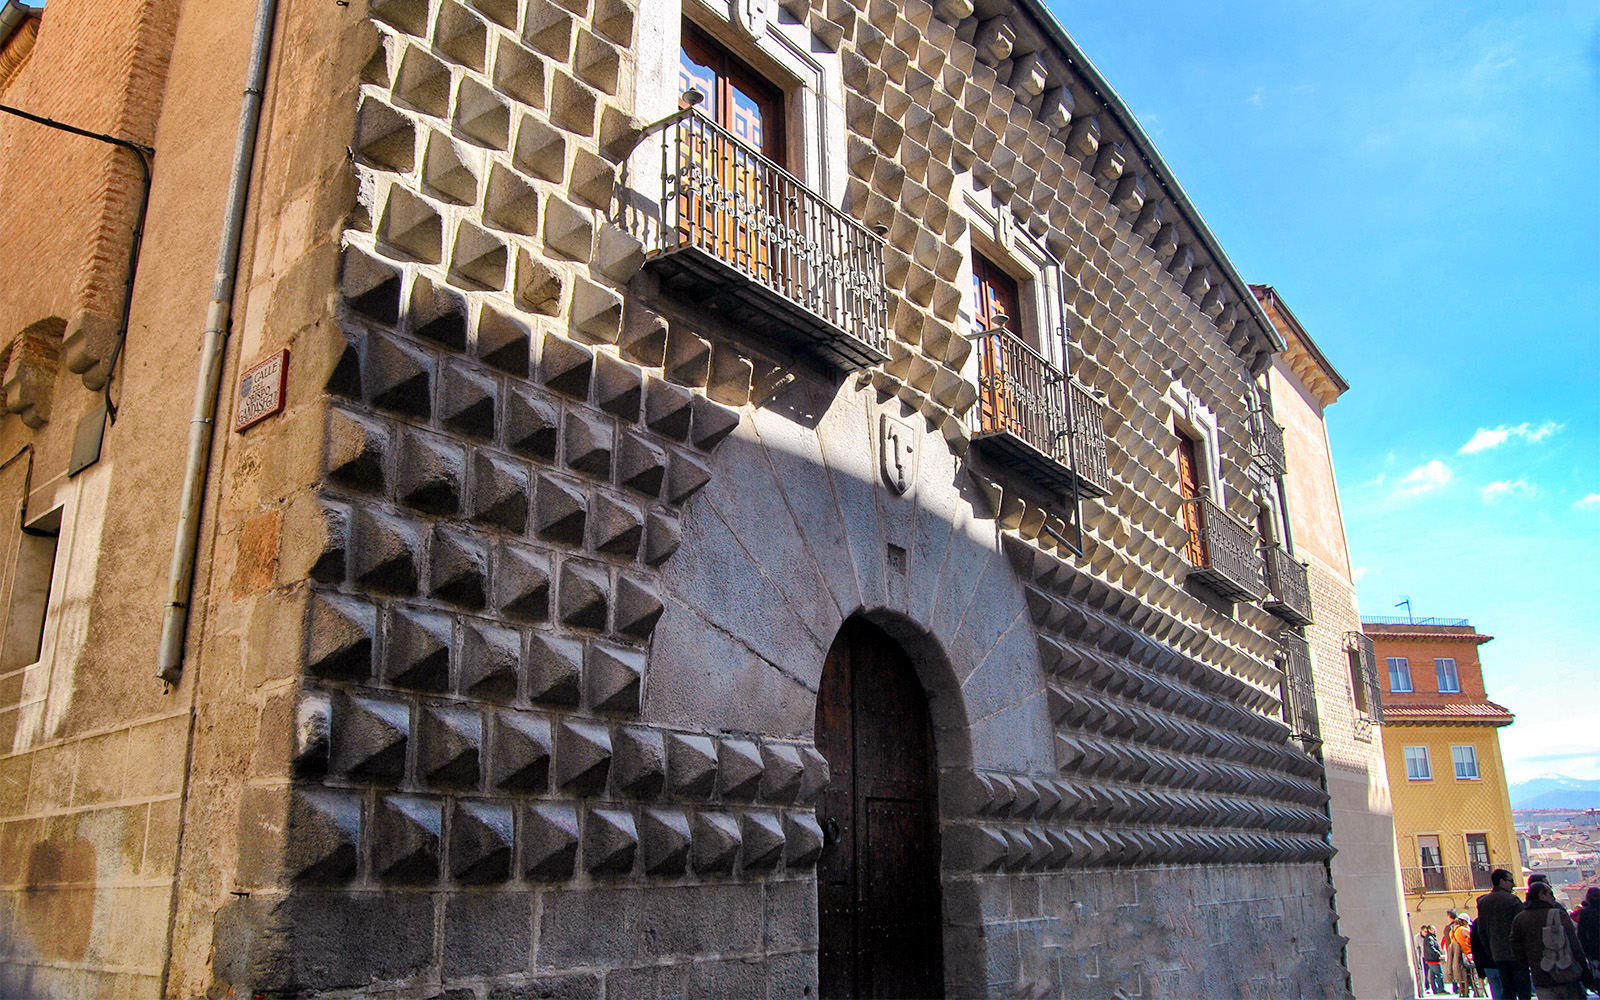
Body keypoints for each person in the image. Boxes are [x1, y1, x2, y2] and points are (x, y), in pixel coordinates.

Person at [1510, 881, 1598, 999]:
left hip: (1541, 978)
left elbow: (1515, 947)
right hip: (1565, 974)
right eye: (1550, 894)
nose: (1553, 898)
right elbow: (1575, 946)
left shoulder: (1520, 919)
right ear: (1542, 895)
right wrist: (1585, 974)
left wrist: (1532, 962)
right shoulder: (1559, 915)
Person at [1481, 868, 1534, 999]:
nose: (1514, 884)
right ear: (1502, 882)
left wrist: (1490, 950)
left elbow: (1482, 931)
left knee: (1507, 990)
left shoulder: (1483, 903)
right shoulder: (1513, 901)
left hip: (1498, 954)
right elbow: (1523, 928)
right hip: (1517, 954)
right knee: (1523, 991)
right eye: (1511, 881)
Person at [1576, 888, 1600, 994]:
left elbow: (1581, 934)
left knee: (1598, 977)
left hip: (1595, 952)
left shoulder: (1585, 912)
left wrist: (1586, 951)